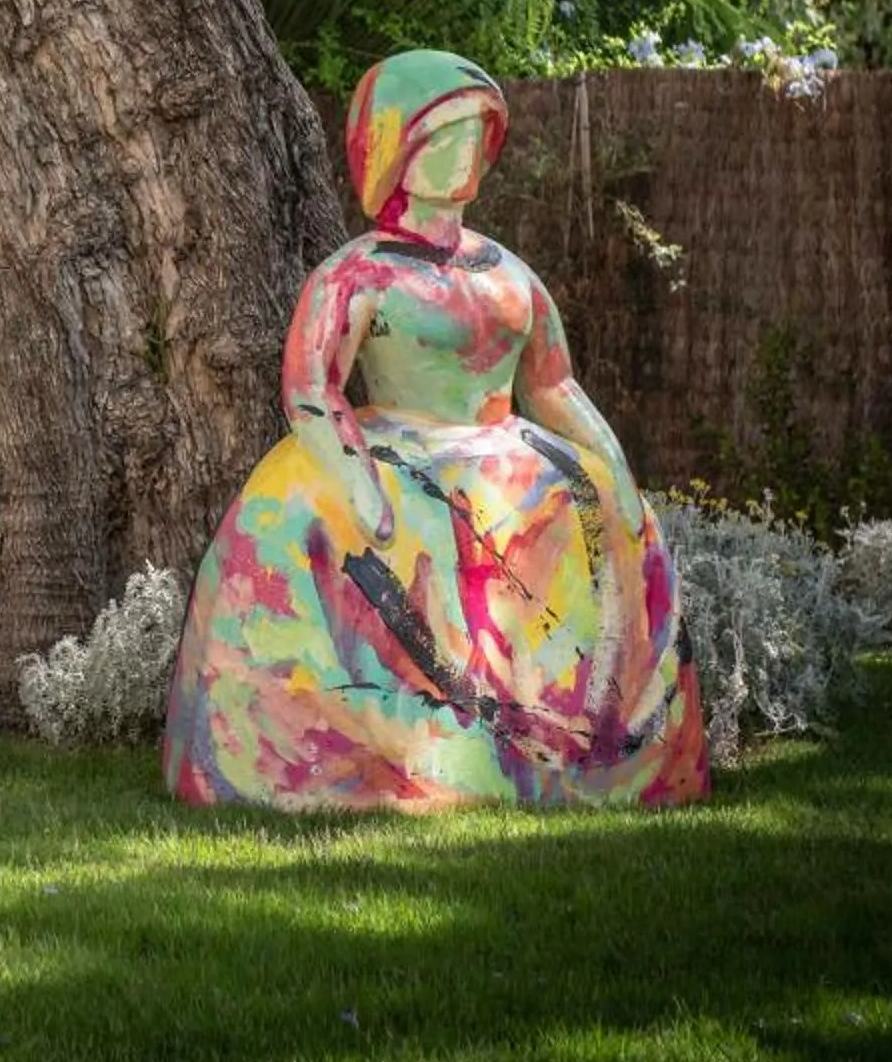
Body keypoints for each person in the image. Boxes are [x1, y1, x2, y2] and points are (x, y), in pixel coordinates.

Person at [163, 48, 709, 811]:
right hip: (395, 453)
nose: (464, 154)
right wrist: (357, 482)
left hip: (510, 458)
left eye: (475, 137)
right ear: (394, 152)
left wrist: (612, 466)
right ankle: (380, 758)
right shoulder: (358, 274)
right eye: (443, 138)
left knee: (598, 529)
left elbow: (551, 383)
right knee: (333, 532)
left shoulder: (508, 273)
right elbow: (312, 389)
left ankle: (589, 757)